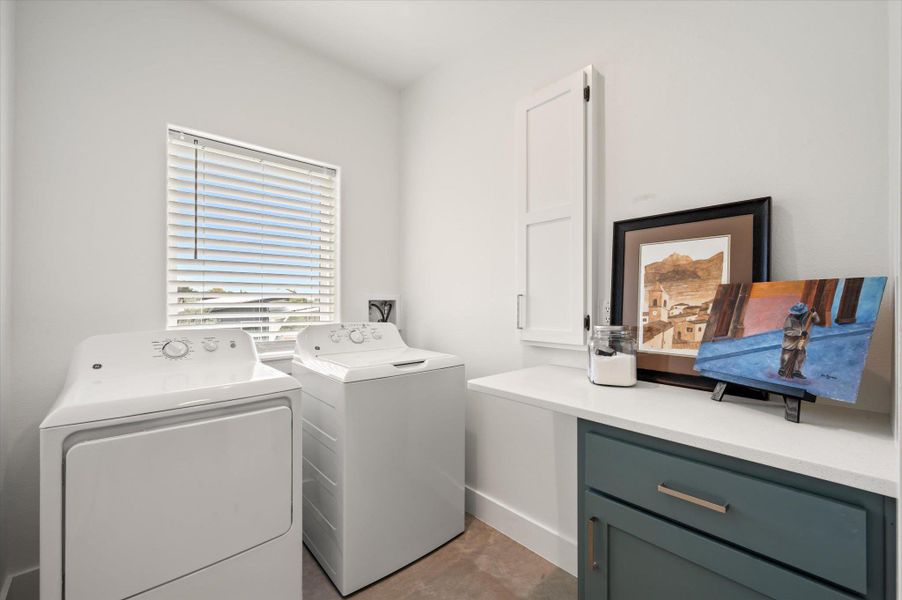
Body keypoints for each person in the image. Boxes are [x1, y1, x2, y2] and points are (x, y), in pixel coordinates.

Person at [778, 302, 820, 379]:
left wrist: (814, 314)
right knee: (786, 355)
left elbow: (816, 321)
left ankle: (797, 371)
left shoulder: (807, 316)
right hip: (790, 342)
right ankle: (783, 369)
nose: (796, 314)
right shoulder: (790, 318)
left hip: (801, 341)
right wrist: (800, 332)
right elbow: (787, 330)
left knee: (801, 355)